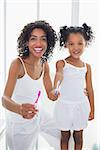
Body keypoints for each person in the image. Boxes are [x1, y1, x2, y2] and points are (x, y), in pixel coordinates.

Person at [2, 20, 61, 150]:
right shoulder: (18, 64)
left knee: (63, 137)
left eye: (43, 39)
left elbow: (51, 94)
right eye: (33, 39)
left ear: (48, 43)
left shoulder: (44, 64)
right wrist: (19, 109)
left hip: (38, 114)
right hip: (18, 123)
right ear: (27, 42)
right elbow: (4, 99)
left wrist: (59, 90)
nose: (38, 44)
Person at [49, 23, 95, 150]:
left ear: (86, 43)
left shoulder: (87, 67)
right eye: (71, 44)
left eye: (80, 43)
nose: (76, 47)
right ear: (66, 45)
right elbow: (59, 75)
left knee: (79, 137)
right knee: (64, 136)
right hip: (64, 106)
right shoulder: (62, 63)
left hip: (81, 106)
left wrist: (93, 109)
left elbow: (90, 89)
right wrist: (55, 87)